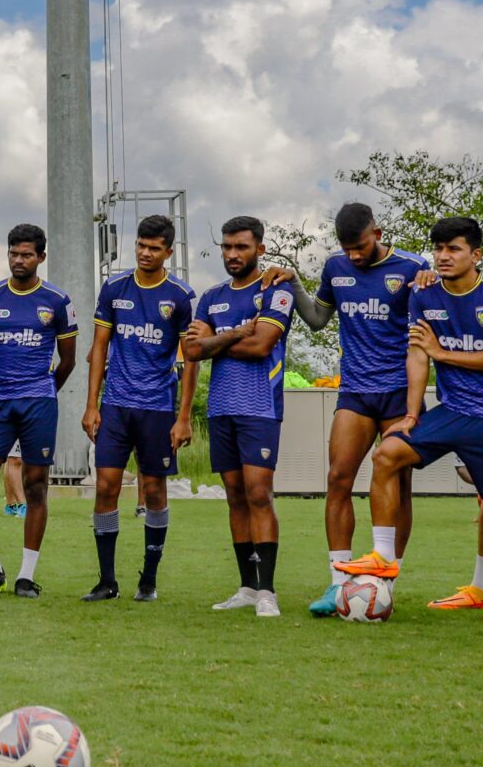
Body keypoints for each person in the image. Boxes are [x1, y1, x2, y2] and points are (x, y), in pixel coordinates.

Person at [337, 217, 483, 624]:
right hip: (451, 411)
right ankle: (384, 557)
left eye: (454, 249)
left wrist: (443, 353)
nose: (443, 256)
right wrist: (409, 413)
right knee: (387, 455)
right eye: (438, 248)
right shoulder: (423, 295)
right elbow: (417, 355)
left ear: (476, 255)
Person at [290, 203, 425, 617]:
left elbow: (432, 325)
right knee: (338, 479)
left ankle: (386, 582)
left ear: (378, 233)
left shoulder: (412, 268)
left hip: (398, 393)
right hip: (356, 392)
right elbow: (316, 320)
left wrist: (437, 280)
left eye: (361, 246)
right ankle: (338, 584)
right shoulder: (335, 269)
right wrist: (293, 283)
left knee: (398, 485)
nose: (354, 255)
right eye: (347, 248)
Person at [79, 216, 196, 602]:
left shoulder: (180, 296)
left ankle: (149, 579)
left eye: (154, 248)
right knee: (106, 487)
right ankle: (107, 580)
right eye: (141, 246)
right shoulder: (114, 287)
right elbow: (98, 348)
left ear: (169, 251)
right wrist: (91, 405)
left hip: (158, 410)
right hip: (115, 407)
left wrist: (183, 417)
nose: (146, 253)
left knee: (154, 490)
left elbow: (190, 359)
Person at [184, 216, 296, 618]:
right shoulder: (211, 297)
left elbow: (262, 346)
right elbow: (192, 352)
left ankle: (268, 591)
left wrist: (214, 342)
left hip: (260, 407)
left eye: (241, 247)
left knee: (258, 494)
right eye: (227, 248)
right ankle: (247, 587)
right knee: (234, 497)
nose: (233, 255)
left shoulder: (276, 290)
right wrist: (233, 334)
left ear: (260, 249)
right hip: (221, 408)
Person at [0, 224, 77, 598]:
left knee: (35, 487)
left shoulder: (57, 301)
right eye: (14, 253)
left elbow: (68, 360)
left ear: (41, 258)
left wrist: (43, 391)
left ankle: (26, 576)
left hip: (38, 403)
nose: (18, 260)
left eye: (26, 254)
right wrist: (5, 381)